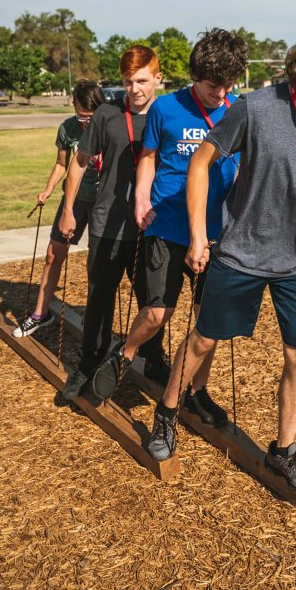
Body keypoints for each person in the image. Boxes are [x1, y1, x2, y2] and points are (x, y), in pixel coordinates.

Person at [145, 21, 296, 496]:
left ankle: (284, 450)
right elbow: (200, 162)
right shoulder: (256, 108)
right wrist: (198, 235)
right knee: (203, 341)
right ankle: (167, 414)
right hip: (240, 254)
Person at [90, 28, 248, 421]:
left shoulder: (237, 109)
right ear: (195, 76)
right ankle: (125, 353)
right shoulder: (167, 108)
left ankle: (196, 390)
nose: (220, 93)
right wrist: (142, 199)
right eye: (213, 86)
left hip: (217, 232)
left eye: (227, 85)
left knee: (208, 322)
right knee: (158, 313)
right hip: (167, 224)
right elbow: (148, 157)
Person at [57, 46, 167, 400]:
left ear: (158, 79)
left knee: (152, 301)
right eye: (128, 81)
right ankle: (89, 363)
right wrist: (69, 209)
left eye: (141, 81)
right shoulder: (106, 113)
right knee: (99, 300)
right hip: (108, 224)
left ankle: (153, 358)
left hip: (152, 228)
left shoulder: (168, 114)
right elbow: (79, 162)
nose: (134, 89)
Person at [13, 79, 105, 338]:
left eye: (91, 117)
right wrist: (48, 189)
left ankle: (95, 320)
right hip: (74, 199)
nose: (86, 122)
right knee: (53, 254)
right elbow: (61, 164)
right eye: (81, 116)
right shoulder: (67, 128)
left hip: (102, 203)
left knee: (97, 263)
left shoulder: (109, 126)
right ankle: (40, 314)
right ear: (73, 106)